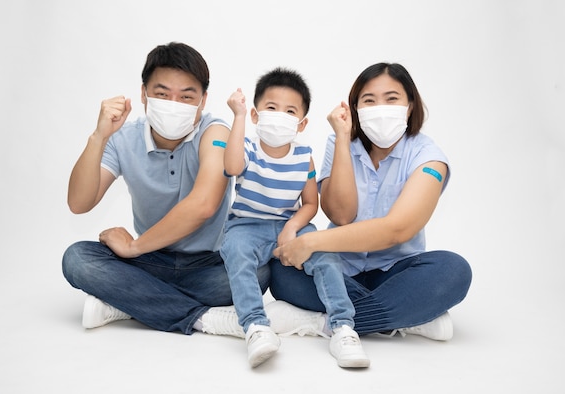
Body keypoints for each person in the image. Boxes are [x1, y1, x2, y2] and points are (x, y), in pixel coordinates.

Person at [62, 41, 269, 336]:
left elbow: (204, 205)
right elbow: (79, 203)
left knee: (260, 272)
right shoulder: (123, 138)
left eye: (186, 96)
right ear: (144, 94)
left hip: (208, 264)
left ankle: (128, 303)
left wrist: (133, 247)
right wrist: (99, 136)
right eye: (162, 94)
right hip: (150, 260)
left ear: (203, 99)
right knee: (77, 259)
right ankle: (202, 318)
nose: (174, 104)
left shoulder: (216, 133)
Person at [269, 62, 472, 343]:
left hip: (395, 273)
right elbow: (341, 215)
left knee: (453, 270)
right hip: (338, 270)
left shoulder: (428, 156)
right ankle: (406, 318)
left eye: (392, 99)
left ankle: (324, 323)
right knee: (281, 272)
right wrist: (342, 138)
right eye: (369, 101)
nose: (381, 108)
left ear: (410, 105)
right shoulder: (339, 143)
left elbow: (397, 230)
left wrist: (310, 242)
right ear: (355, 108)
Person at [220, 68, 369, 368]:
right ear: (255, 114)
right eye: (271, 108)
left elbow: (311, 203)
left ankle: (342, 327)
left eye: (290, 111)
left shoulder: (304, 157)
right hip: (246, 226)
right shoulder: (247, 149)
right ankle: (255, 326)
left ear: (301, 123)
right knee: (236, 254)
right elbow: (233, 167)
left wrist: (291, 228)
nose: (279, 115)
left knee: (326, 254)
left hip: (290, 224)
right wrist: (236, 117)